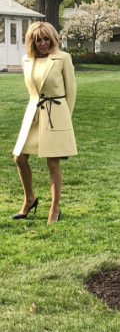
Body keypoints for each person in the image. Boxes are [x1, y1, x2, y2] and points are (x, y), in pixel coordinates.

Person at [12, 21, 77, 224]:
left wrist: (65, 120)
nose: (43, 43)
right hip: (33, 114)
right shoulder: (27, 60)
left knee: (52, 162)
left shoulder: (63, 58)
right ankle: (30, 198)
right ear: (31, 41)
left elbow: (71, 92)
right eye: (38, 39)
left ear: (53, 39)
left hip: (56, 115)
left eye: (46, 38)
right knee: (19, 158)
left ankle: (55, 208)